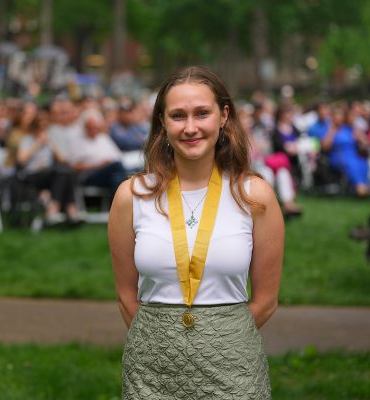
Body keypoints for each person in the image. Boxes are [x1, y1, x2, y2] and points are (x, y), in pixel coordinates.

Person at [108, 66, 283, 399]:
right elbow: (126, 296)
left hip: (234, 367)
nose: (190, 127)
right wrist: (160, 340)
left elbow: (266, 301)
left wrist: (220, 338)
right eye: (178, 115)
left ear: (223, 116)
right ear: (162, 121)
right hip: (151, 371)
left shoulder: (255, 195)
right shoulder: (132, 196)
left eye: (202, 113)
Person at [16, 111, 82, 225]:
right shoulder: (27, 139)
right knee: (61, 173)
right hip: (32, 174)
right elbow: (21, 159)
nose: (43, 130)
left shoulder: (49, 139)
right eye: (41, 127)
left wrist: (52, 145)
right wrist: (38, 143)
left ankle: (56, 210)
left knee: (66, 172)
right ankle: (67, 209)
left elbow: (61, 159)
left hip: (50, 174)